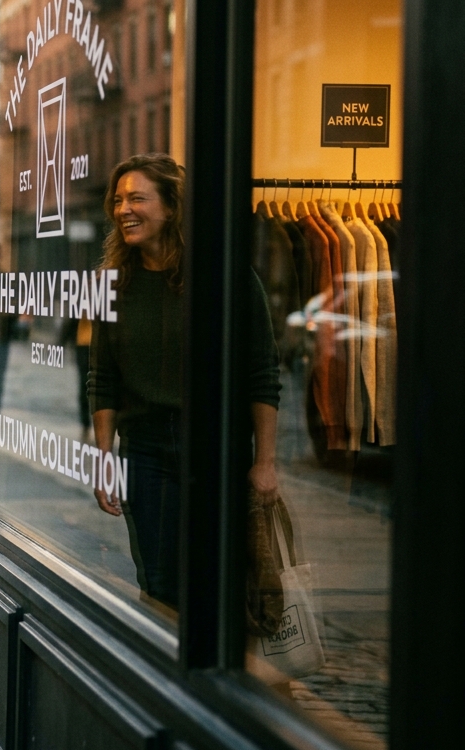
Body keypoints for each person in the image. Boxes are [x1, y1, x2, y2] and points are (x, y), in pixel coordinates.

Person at [88, 154, 280, 610]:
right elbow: (103, 377)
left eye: (137, 198)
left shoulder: (225, 277)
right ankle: (163, 677)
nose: (123, 210)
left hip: (216, 449)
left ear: (172, 207)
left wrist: (265, 462)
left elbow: (261, 373)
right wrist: (101, 458)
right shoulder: (112, 284)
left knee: (221, 582)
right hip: (147, 452)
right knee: (159, 584)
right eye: (118, 200)